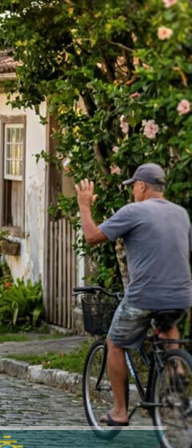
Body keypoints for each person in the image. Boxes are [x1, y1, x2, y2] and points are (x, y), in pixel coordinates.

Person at [77, 163, 192, 426]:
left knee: (115, 343)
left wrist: (84, 206)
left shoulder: (134, 211)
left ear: (141, 186)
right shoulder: (181, 214)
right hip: (181, 296)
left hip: (143, 296)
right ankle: (176, 371)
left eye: (133, 187)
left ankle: (119, 411)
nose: (133, 192)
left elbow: (92, 237)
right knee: (167, 326)